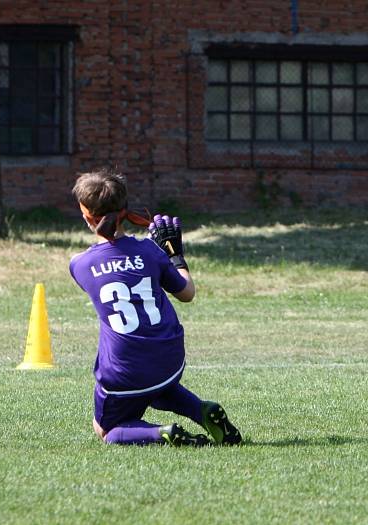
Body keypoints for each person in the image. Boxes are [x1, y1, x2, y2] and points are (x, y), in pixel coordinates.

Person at [69, 168, 242, 446]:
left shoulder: (80, 264)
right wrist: (176, 256)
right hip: (170, 360)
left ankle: (163, 433)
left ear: (86, 215)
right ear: (125, 208)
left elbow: (110, 266)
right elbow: (187, 293)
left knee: (106, 430)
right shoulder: (151, 251)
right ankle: (201, 410)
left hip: (124, 373)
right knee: (158, 388)